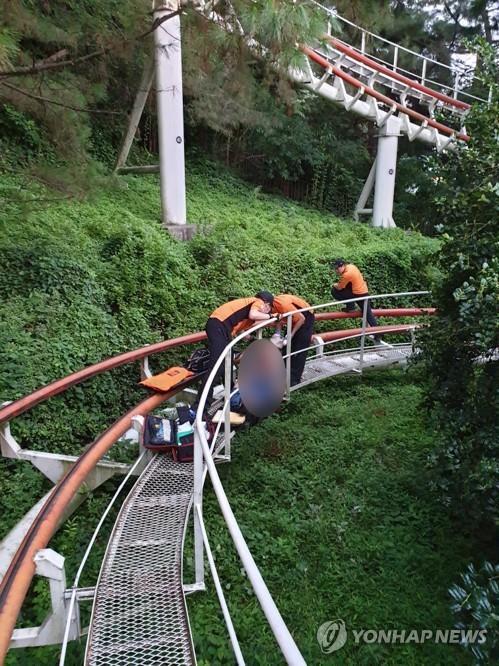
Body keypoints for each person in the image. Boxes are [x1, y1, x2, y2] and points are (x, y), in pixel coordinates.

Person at [195, 291, 275, 407]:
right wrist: (271, 316)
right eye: (269, 309)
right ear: (267, 305)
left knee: (229, 360)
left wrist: (252, 338)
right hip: (218, 325)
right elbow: (254, 314)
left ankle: (230, 393)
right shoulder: (258, 302)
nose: (268, 311)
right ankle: (200, 405)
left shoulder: (247, 311)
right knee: (218, 366)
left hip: (222, 328)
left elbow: (246, 329)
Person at [330, 258, 381, 343]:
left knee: (334, 291)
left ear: (342, 266)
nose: (336, 271)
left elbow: (339, 287)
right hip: (364, 292)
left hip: (358, 295)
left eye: (337, 268)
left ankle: (350, 306)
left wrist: (334, 284)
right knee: (368, 314)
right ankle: (377, 334)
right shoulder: (351, 266)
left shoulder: (346, 275)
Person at [272, 293, 315, 386]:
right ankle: (281, 375)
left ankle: (293, 380)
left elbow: (301, 319)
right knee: (287, 346)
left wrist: (290, 335)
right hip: (294, 317)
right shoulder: (272, 305)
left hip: (306, 316)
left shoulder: (282, 305)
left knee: (299, 348)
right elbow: (279, 319)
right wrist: (277, 333)